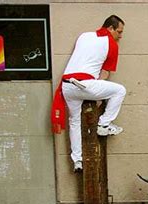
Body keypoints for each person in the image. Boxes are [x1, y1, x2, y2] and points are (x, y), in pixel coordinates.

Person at [51, 15, 127, 172]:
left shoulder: (84, 36)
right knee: (120, 90)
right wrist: (98, 95)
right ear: (110, 28)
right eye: (119, 32)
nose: (120, 36)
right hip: (84, 85)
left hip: (67, 85)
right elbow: (105, 74)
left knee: (74, 121)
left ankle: (77, 161)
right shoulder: (112, 45)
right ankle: (104, 124)